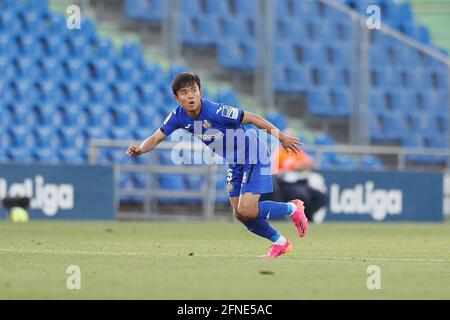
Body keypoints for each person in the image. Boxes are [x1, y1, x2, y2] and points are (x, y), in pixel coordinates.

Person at [126, 72, 308, 258]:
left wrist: (282, 137)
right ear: (177, 97)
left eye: (194, 90)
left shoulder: (216, 111)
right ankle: (281, 243)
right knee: (240, 214)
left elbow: (253, 118)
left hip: (254, 154)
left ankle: (293, 208)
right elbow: (156, 137)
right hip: (235, 162)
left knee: (247, 209)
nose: (190, 96)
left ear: (200, 91)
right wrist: (140, 149)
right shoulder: (177, 117)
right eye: (184, 92)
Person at [270, 133, 328, 221]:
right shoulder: (279, 153)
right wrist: (301, 166)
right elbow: (295, 167)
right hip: (286, 184)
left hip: (302, 183)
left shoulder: (297, 151)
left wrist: (301, 166)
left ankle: (306, 218)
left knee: (321, 197)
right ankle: (308, 219)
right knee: (303, 197)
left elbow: (311, 163)